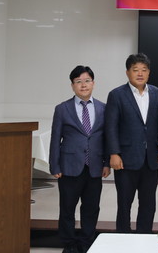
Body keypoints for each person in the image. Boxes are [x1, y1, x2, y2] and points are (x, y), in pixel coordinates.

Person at [48, 65, 109, 253]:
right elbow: (55, 139)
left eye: (87, 81)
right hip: (69, 167)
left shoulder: (103, 108)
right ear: (72, 85)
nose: (83, 85)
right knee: (67, 208)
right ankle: (69, 244)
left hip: (95, 166)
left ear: (93, 83)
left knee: (91, 208)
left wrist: (107, 163)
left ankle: (86, 243)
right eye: (78, 82)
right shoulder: (62, 109)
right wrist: (54, 165)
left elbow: (107, 138)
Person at [105, 53, 158, 233]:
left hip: (150, 159)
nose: (140, 74)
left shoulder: (157, 94)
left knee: (148, 204)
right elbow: (111, 127)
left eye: (144, 70)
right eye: (135, 70)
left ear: (149, 72)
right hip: (125, 160)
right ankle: (123, 238)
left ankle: (144, 238)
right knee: (124, 205)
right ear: (127, 72)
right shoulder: (117, 95)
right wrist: (114, 153)